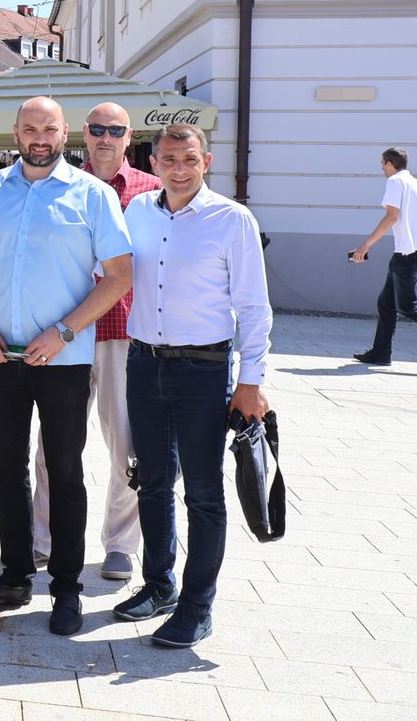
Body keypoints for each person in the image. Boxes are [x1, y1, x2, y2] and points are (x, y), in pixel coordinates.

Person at [0, 96, 132, 637]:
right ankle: (14, 574)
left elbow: (119, 277)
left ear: (64, 132)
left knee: (65, 473)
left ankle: (68, 587)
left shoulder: (92, 195)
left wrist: (64, 331)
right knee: (7, 469)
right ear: (15, 132)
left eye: (48, 128)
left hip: (63, 360)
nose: (38, 137)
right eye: (29, 128)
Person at [115, 124, 272, 648]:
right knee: (154, 482)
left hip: (203, 372)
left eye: (189, 159)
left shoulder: (232, 219)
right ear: (153, 162)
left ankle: (196, 606)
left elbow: (253, 307)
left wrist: (251, 380)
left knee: (204, 493)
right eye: (168, 160)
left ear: (206, 160)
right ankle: (158, 585)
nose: (179, 169)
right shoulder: (136, 212)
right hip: (143, 363)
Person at [33, 103, 160, 582]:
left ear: (130, 137)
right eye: (98, 129)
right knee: (51, 443)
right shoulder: (58, 184)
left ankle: (122, 544)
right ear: (83, 134)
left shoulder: (150, 193)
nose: (106, 137)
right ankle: (41, 538)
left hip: (122, 332)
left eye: (116, 130)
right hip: (62, 331)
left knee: (125, 443)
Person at [350, 146, 417, 364]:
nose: (382, 168)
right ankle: (381, 353)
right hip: (414, 251)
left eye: (382, 164)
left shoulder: (395, 182)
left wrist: (365, 245)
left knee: (408, 307)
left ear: (391, 163)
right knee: (386, 303)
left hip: (408, 253)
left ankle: (381, 352)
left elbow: (392, 217)